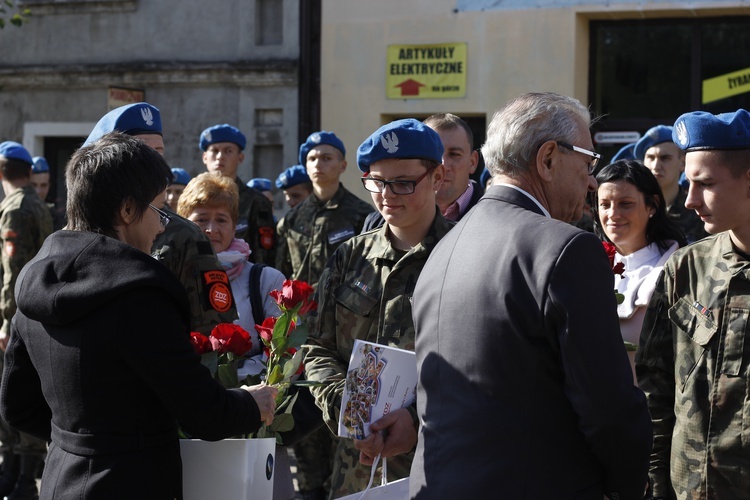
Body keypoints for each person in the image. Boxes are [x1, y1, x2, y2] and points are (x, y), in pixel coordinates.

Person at [0, 132, 278, 499]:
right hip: (134, 482)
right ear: (128, 211)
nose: (163, 225)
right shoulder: (139, 294)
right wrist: (251, 404)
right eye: (158, 210)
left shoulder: (36, 278)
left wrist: (80, 442)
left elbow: (16, 407)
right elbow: (203, 412)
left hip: (61, 480)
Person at [410, 92, 653, 499]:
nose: (593, 180)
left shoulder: (445, 246)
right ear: (548, 159)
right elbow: (607, 410)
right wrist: (629, 485)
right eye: (589, 162)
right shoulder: (565, 248)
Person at [304, 119, 452, 499]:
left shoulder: (465, 254)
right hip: (357, 466)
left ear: (437, 176)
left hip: (437, 463)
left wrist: (416, 419)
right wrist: (348, 410)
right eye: (376, 182)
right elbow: (318, 346)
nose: (387, 195)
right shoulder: (351, 257)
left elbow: (483, 362)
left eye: (403, 182)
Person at [636, 109, 750, 499]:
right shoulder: (686, 268)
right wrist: (654, 482)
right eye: (688, 183)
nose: (689, 200)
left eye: (705, 184)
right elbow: (655, 387)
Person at [176, 171, 297, 500]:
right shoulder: (167, 279)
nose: (212, 229)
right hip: (188, 424)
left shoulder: (264, 280)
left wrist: (238, 387)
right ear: (183, 222)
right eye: (201, 219)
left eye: (222, 219)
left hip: (253, 421)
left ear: (235, 224)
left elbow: (284, 351)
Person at [85, 102, 240, 335]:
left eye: (159, 153)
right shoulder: (81, 232)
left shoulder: (184, 235)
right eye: (143, 152)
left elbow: (215, 335)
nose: (155, 164)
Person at [592, 160, 685, 381]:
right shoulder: (588, 264)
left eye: (625, 204)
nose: (613, 214)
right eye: (605, 204)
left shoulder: (678, 269)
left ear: (652, 206)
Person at [0, 141, 53, 500]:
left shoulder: (16, 208)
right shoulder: (37, 204)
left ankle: (19, 477)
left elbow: (12, 270)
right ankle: (17, 473)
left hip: (17, 314)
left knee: (11, 392)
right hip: (37, 312)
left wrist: (6, 318)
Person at [275, 131, 373, 286]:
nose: (318, 164)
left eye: (326, 158)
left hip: (343, 307)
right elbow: (280, 271)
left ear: (343, 166)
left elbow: (370, 271)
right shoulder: (291, 219)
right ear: (306, 167)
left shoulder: (362, 214)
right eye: (312, 159)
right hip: (301, 308)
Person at [361, 113, 483, 231]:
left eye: (454, 154)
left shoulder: (491, 218)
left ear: (472, 162)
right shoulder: (378, 222)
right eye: (434, 156)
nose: (443, 164)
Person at [199, 124, 276, 265]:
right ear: (205, 157)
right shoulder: (193, 199)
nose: (220, 157)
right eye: (214, 151)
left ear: (240, 158)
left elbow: (264, 256)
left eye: (228, 151)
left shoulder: (256, 202)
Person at [634, 124, 707, 243]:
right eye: (650, 158)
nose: (656, 166)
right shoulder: (632, 208)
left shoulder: (698, 211)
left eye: (665, 158)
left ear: (683, 163)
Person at [31, 155, 66, 232]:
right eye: (33, 185)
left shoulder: (57, 219)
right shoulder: (18, 214)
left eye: (43, 185)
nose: (38, 191)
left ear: (49, 186)